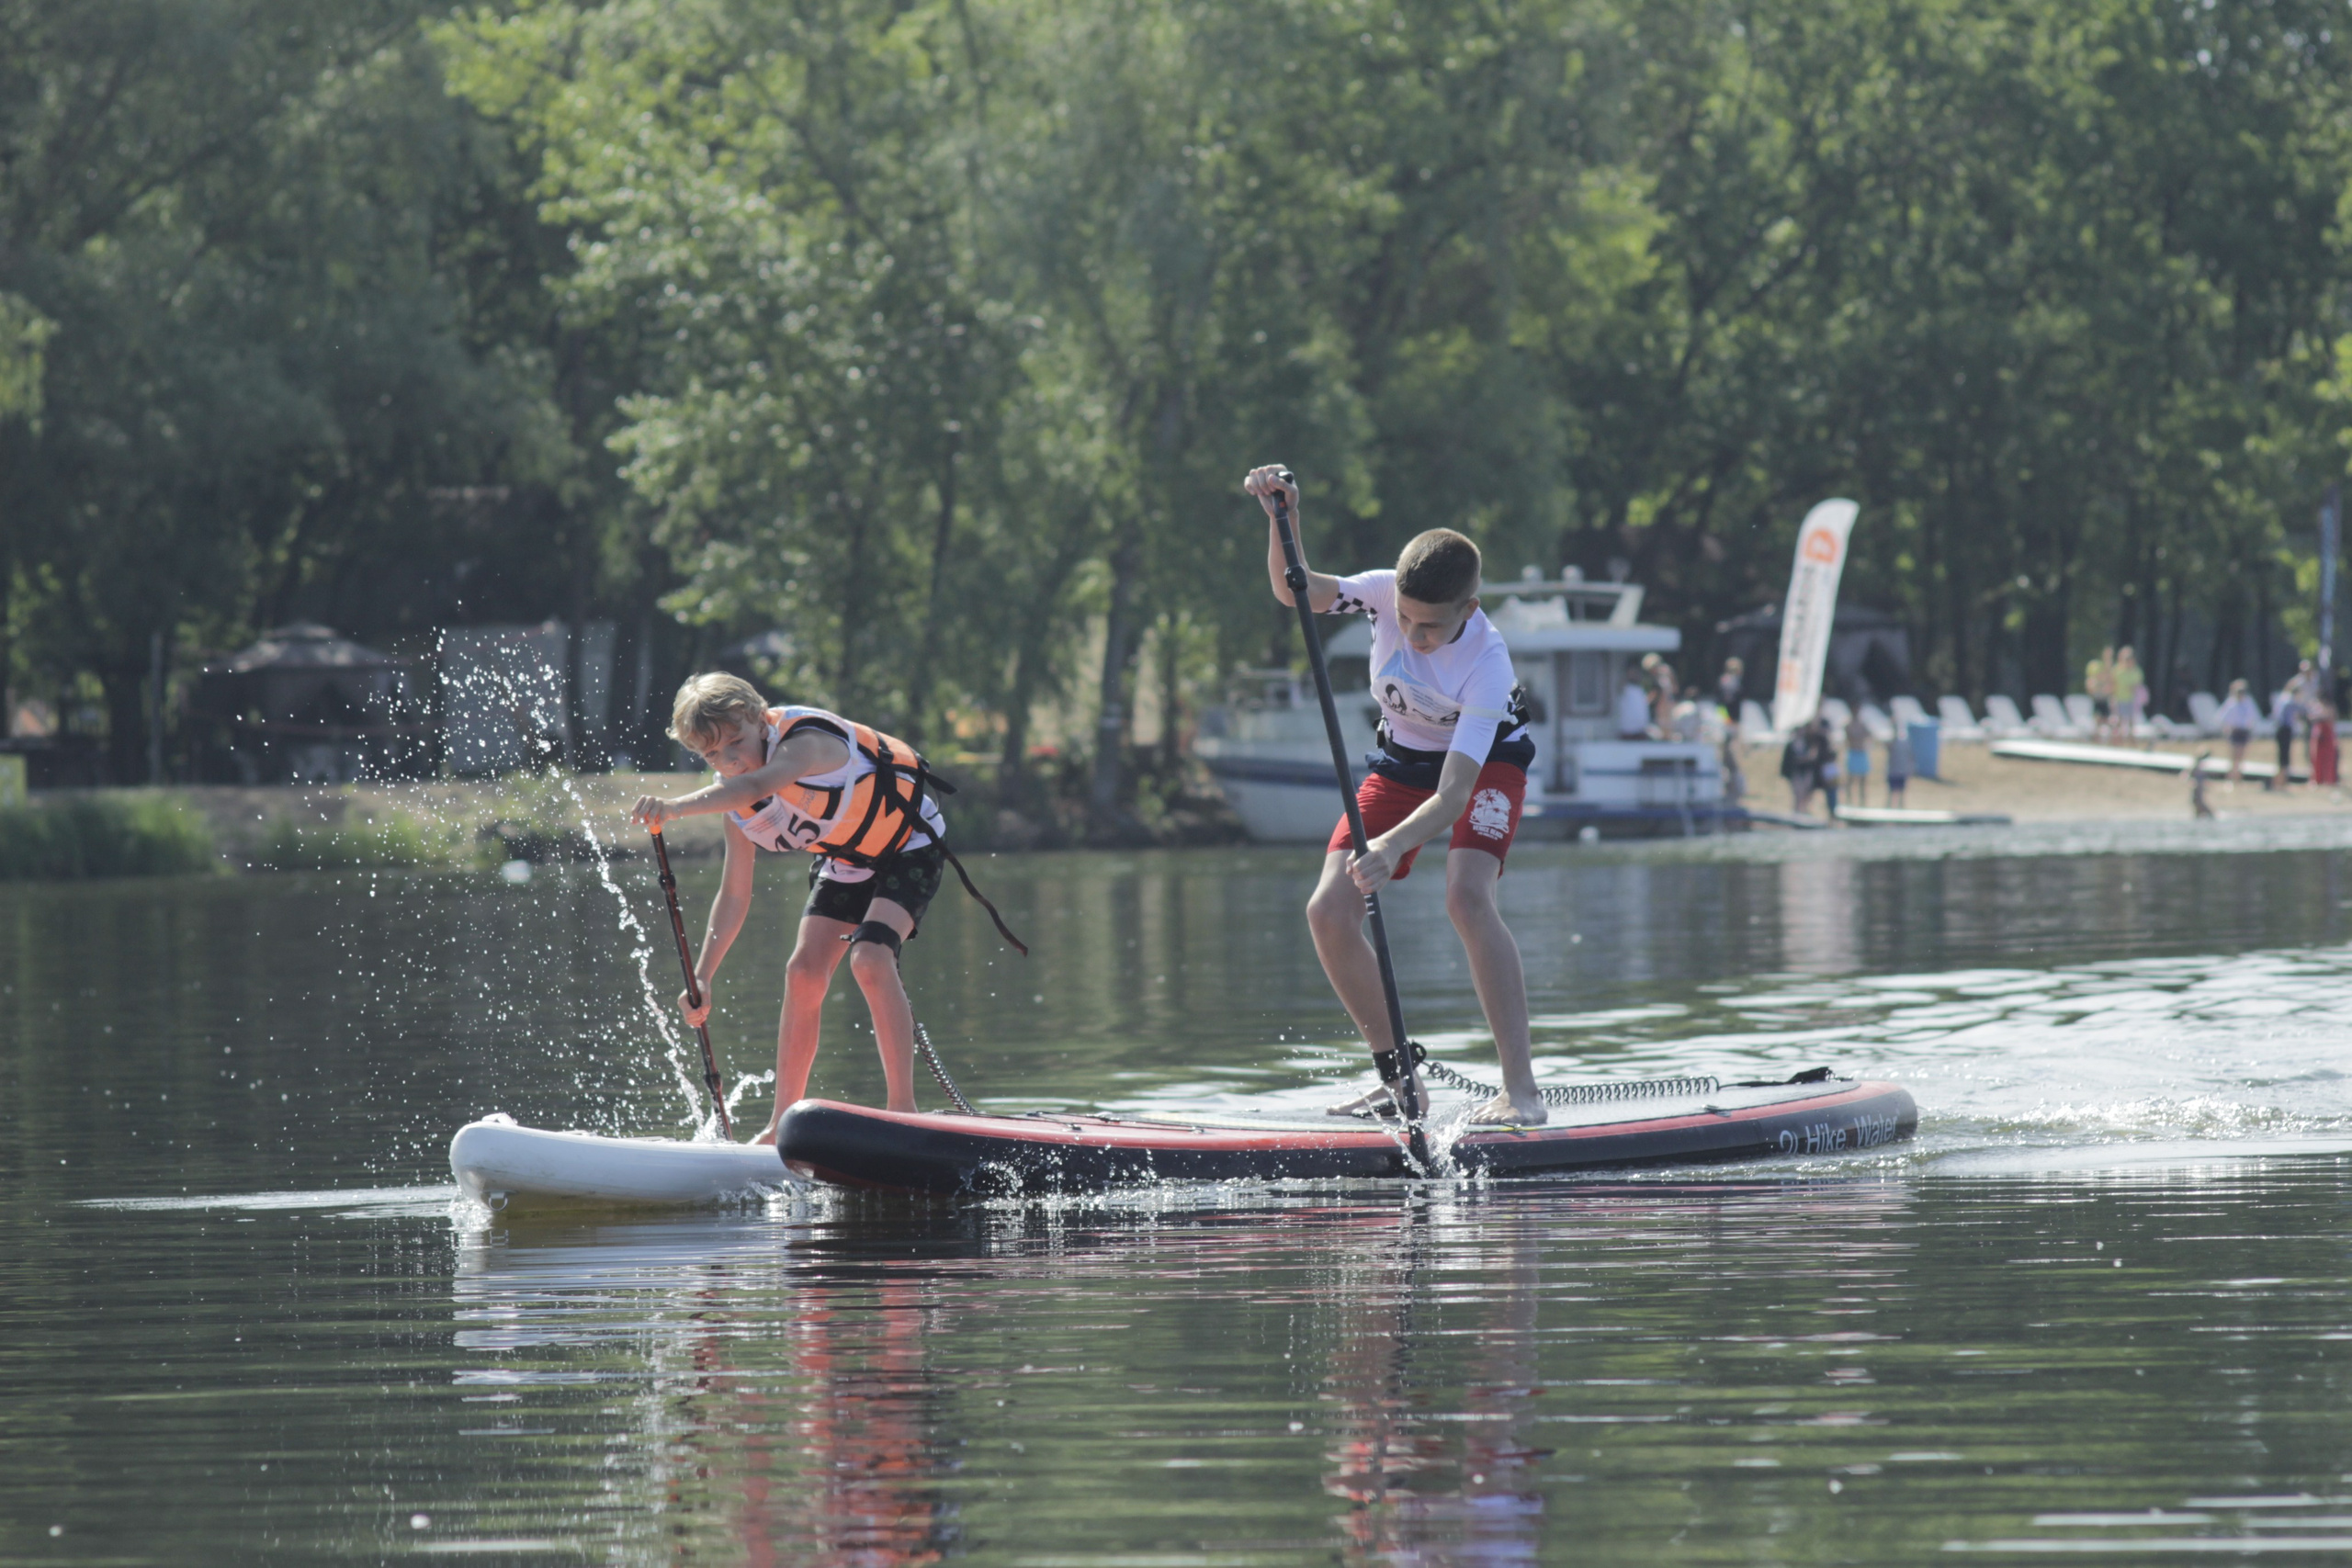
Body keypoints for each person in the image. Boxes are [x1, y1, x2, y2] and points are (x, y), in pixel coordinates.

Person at [1245, 464, 1545, 1125]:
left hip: (1483, 767)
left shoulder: (1487, 664)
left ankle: (1521, 1091)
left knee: (1467, 896)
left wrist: (1389, 846)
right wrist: (1282, 521)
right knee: (1328, 910)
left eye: (1429, 627)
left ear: (1469, 609)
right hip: (1403, 762)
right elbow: (1299, 593)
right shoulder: (1384, 592)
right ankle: (1400, 1080)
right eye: (1403, 619)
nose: (1411, 635)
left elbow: (1455, 793)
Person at [628, 672, 1023, 1143]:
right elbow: (734, 893)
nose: (729, 761)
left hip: (910, 845)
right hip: (848, 860)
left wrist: (673, 808)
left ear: (760, 719)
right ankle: (780, 1124)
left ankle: (904, 1111)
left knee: (871, 958)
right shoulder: (733, 797)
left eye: (736, 742)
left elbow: (758, 785)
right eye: (712, 754)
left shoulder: (806, 743)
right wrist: (703, 975)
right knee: (802, 972)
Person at [2216, 678, 2261, 783]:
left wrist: (2251, 728)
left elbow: (2254, 717)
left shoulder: (2249, 702)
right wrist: (2227, 727)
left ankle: (2238, 778)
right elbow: (2221, 717)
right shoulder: (2231, 702)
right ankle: (2230, 778)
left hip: (2244, 731)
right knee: (2233, 756)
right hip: (2234, 731)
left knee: (2241, 756)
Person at [1780, 722, 1817, 815]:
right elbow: (1789, 760)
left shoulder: (1808, 742)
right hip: (1796, 773)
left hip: (1806, 771)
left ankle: (1804, 811)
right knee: (1798, 794)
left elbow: (1812, 757)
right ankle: (1796, 812)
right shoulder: (1791, 745)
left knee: (1806, 794)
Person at [2111, 646, 2145, 739]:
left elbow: (2139, 684)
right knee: (2119, 720)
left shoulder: (2136, 671)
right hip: (2119, 698)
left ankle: (2131, 738)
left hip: (2131, 699)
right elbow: (2113, 684)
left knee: (2131, 720)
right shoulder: (2117, 670)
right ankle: (2118, 738)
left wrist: (2133, 687)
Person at [1843, 711, 1872, 809]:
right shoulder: (1849, 725)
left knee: (1863, 779)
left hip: (1861, 752)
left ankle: (1862, 801)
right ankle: (1848, 800)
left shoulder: (1863, 725)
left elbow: (1868, 734)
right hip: (1853, 752)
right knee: (1850, 778)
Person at [2085, 647, 2114, 741]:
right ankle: (2095, 737)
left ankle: (2106, 738)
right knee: (2097, 719)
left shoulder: (2109, 667)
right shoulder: (2096, 665)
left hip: (2104, 698)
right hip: (2097, 698)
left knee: (2106, 719)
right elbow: (2090, 681)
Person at [1616, 665, 1653, 739]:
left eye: (1636, 672)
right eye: (1632, 672)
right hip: (1627, 732)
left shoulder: (1640, 689)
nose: (1635, 675)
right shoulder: (1625, 688)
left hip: (1640, 732)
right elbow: (1619, 687)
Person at [1884, 721, 1913, 807]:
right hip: (1893, 771)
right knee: (1891, 794)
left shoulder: (1905, 742)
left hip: (1902, 770)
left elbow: (1910, 756)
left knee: (1901, 795)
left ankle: (1902, 812)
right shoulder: (1891, 742)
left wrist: (1910, 769)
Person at [2314, 702, 2340, 788]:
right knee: (2318, 759)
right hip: (2320, 738)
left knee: (2329, 759)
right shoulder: (2318, 708)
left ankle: (2329, 780)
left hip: (2328, 737)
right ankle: (2318, 780)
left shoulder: (2329, 710)